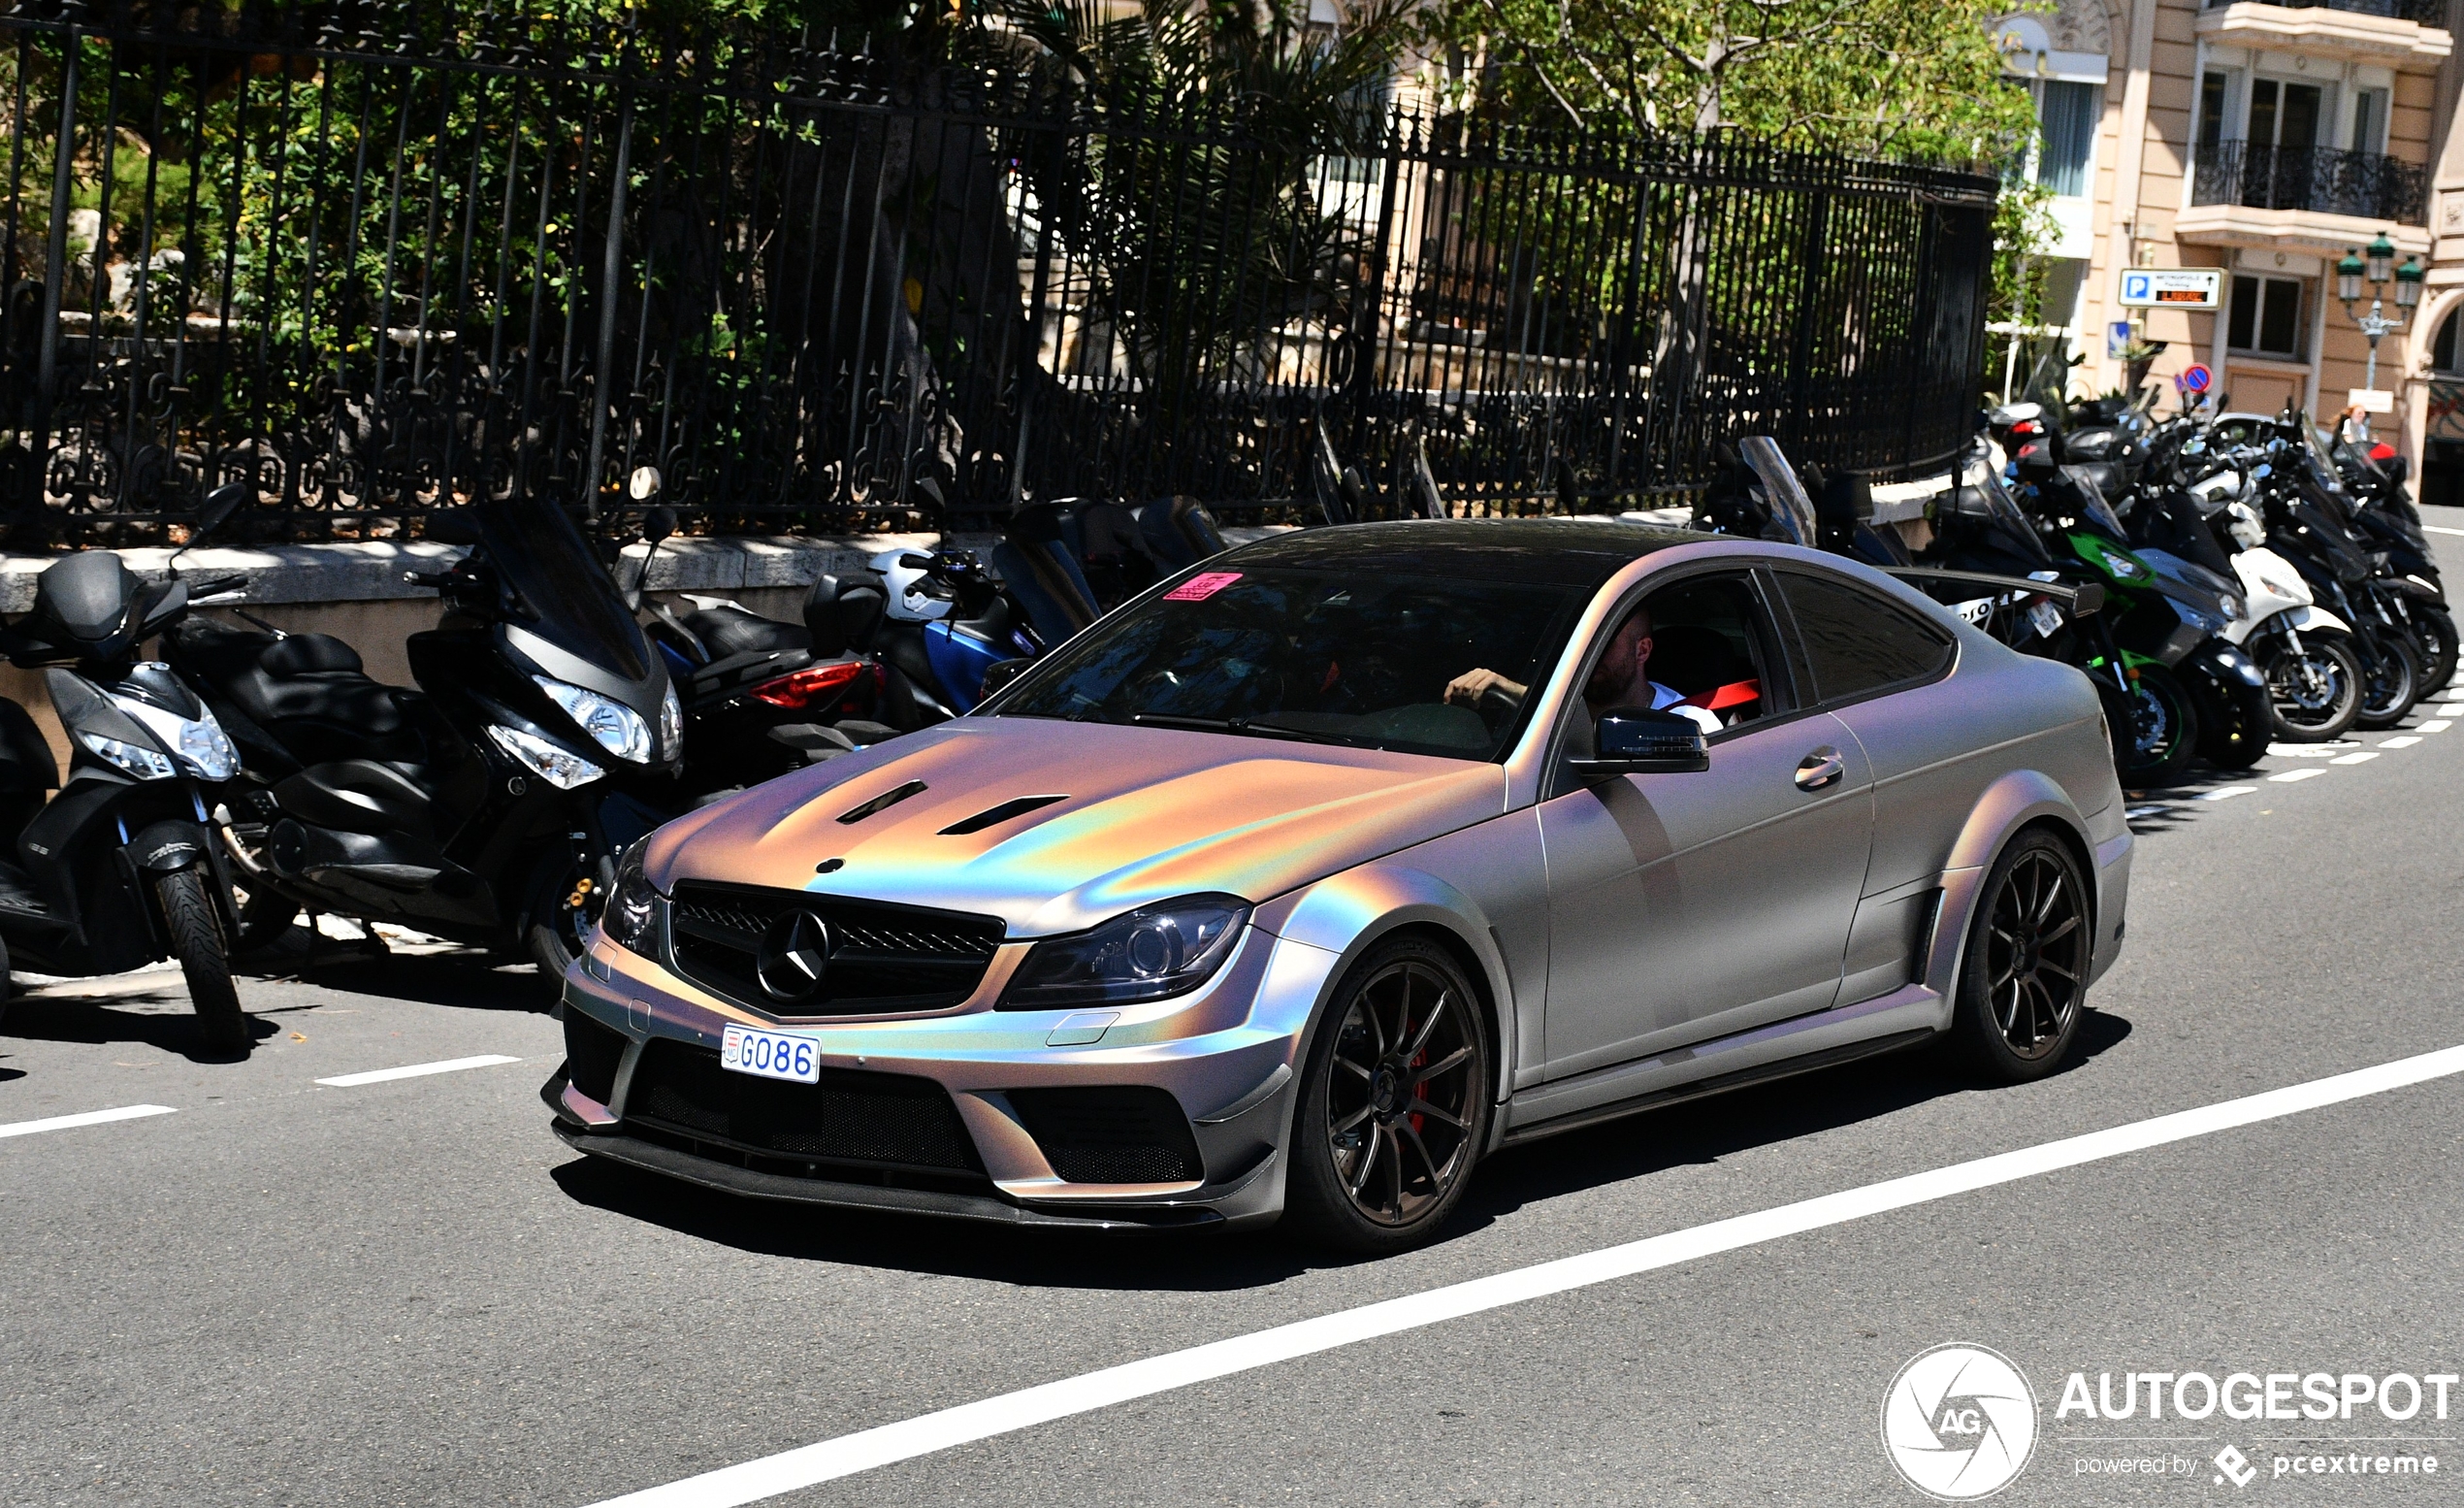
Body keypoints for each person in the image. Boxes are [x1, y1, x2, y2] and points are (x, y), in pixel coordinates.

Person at [1443, 605, 1722, 734]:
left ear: (1643, 650)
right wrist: (1501, 688)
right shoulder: (1546, 716)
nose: (1590, 655)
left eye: (1605, 643)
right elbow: (1561, 709)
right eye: (1585, 642)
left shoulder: (1691, 725)